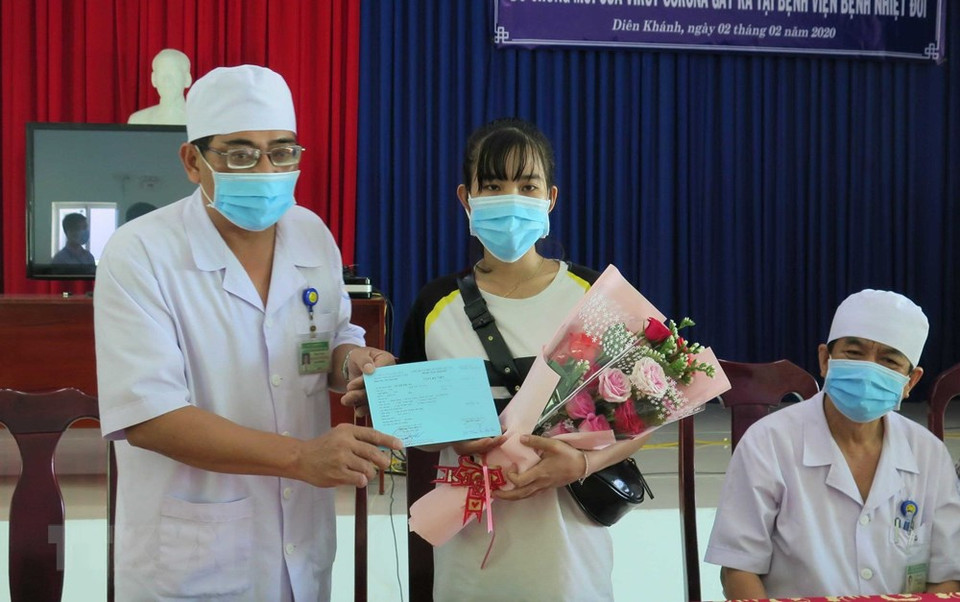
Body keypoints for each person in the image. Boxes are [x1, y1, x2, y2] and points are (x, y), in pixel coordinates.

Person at [95, 65, 402, 601]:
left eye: (282, 152)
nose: (265, 169)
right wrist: (301, 458)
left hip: (300, 547)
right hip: (193, 556)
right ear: (193, 161)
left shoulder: (311, 233)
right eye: (240, 154)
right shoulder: (141, 252)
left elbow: (328, 338)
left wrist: (352, 361)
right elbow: (149, 417)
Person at [399, 118, 649, 600]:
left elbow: (641, 419)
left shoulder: (592, 295)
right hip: (471, 556)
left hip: (570, 553)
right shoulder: (435, 305)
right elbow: (421, 438)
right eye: (492, 186)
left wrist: (576, 465)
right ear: (465, 198)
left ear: (550, 198)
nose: (510, 198)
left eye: (526, 185)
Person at [705, 289, 960, 597]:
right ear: (825, 360)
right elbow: (739, 570)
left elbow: (945, 577)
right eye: (854, 354)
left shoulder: (928, 455)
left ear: (911, 382)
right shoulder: (769, 442)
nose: (869, 370)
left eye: (889, 361)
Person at [127, 49, 191, 125]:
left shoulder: (202, 119)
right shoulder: (138, 120)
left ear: (187, 79)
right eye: (162, 72)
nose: (167, 79)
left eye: (174, 72)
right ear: (153, 79)